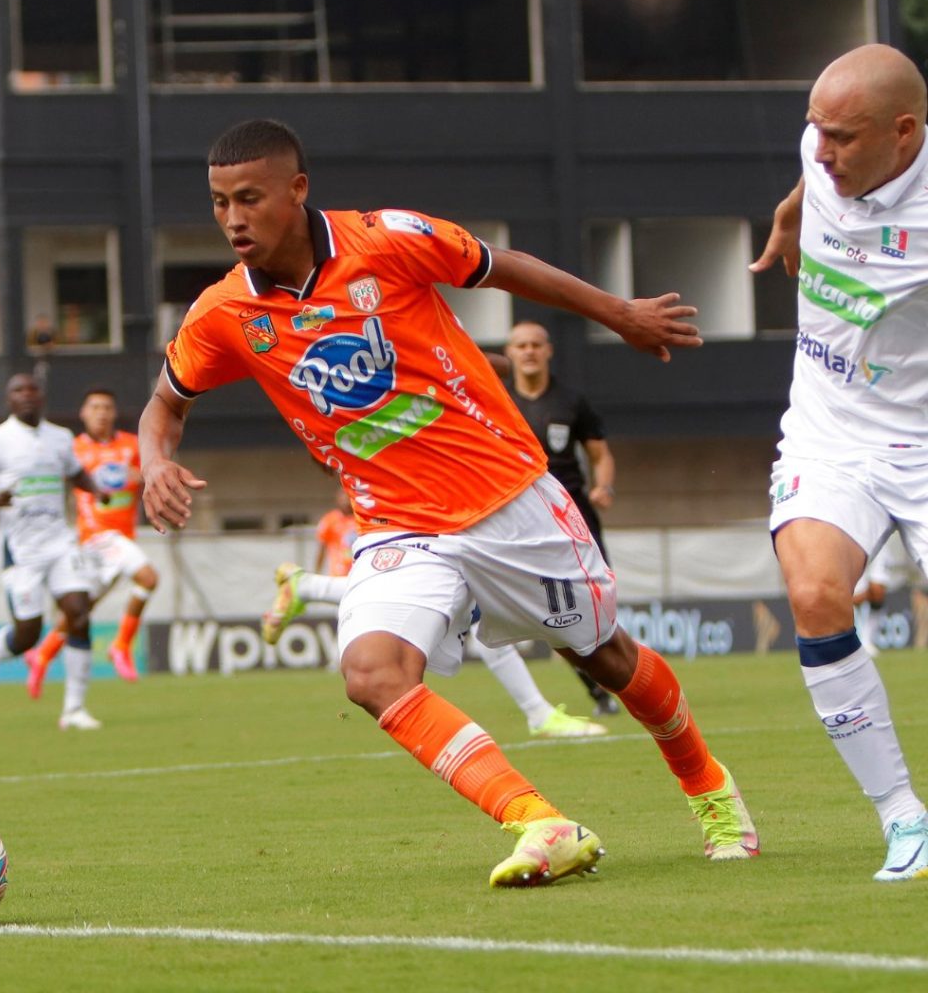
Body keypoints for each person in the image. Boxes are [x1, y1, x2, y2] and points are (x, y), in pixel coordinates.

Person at [140, 119, 758, 887]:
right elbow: (164, 405)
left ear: (297, 190)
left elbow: (508, 268)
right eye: (219, 202)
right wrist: (154, 460)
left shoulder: (388, 239)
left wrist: (617, 313)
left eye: (250, 199)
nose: (233, 219)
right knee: (370, 674)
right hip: (397, 524)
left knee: (603, 655)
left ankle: (710, 790)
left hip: (509, 500)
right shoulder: (226, 315)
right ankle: (539, 822)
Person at [749, 43, 928, 882]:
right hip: (831, 429)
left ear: (904, 132)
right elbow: (807, 178)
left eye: (843, 138)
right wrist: (791, 214)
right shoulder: (822, 152)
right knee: (816, 592)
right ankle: (903, 818)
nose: (822, 152)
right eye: (814, 131)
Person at [263, 500, 609, 739]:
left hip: (424, 532)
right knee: (456, 607)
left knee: (478, 616)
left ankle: (539, 713)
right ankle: (539, 715)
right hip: (425, 531)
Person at [0, 373, 104, 730]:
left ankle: (73, 710)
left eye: (33, 389)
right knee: (29, 634)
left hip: (58, 541)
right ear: (8, 400)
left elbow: (75, 473)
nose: (27, 395)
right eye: (18, 391)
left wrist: (96, 489)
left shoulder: (60, 437)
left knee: (79, 614)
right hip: (20, 549)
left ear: (42, 397)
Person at [505, 319, 621, 716]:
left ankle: (618, 674)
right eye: (521, 345)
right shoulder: (498, 402)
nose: (529, 351)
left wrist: (603, 487)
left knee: (594, 597)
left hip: (573, 512)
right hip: (519, 515)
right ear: (510, 353)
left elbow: (600, 455)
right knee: (548, 609)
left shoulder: (572, 401)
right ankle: (598, 688)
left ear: (548, 350)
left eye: (536, 344)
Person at [25, 387, 160, 695]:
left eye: (107, 407)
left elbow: (149, 473)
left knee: (81, 610)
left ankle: (41, 655)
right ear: (84, 413)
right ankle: (121, 646)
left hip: (120, 538)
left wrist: (140, 475)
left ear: (114, 413)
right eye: (95, 407)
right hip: (95, 537)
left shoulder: (130, 445)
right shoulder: (72, 449)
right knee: (149, 577)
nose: (101, 413)